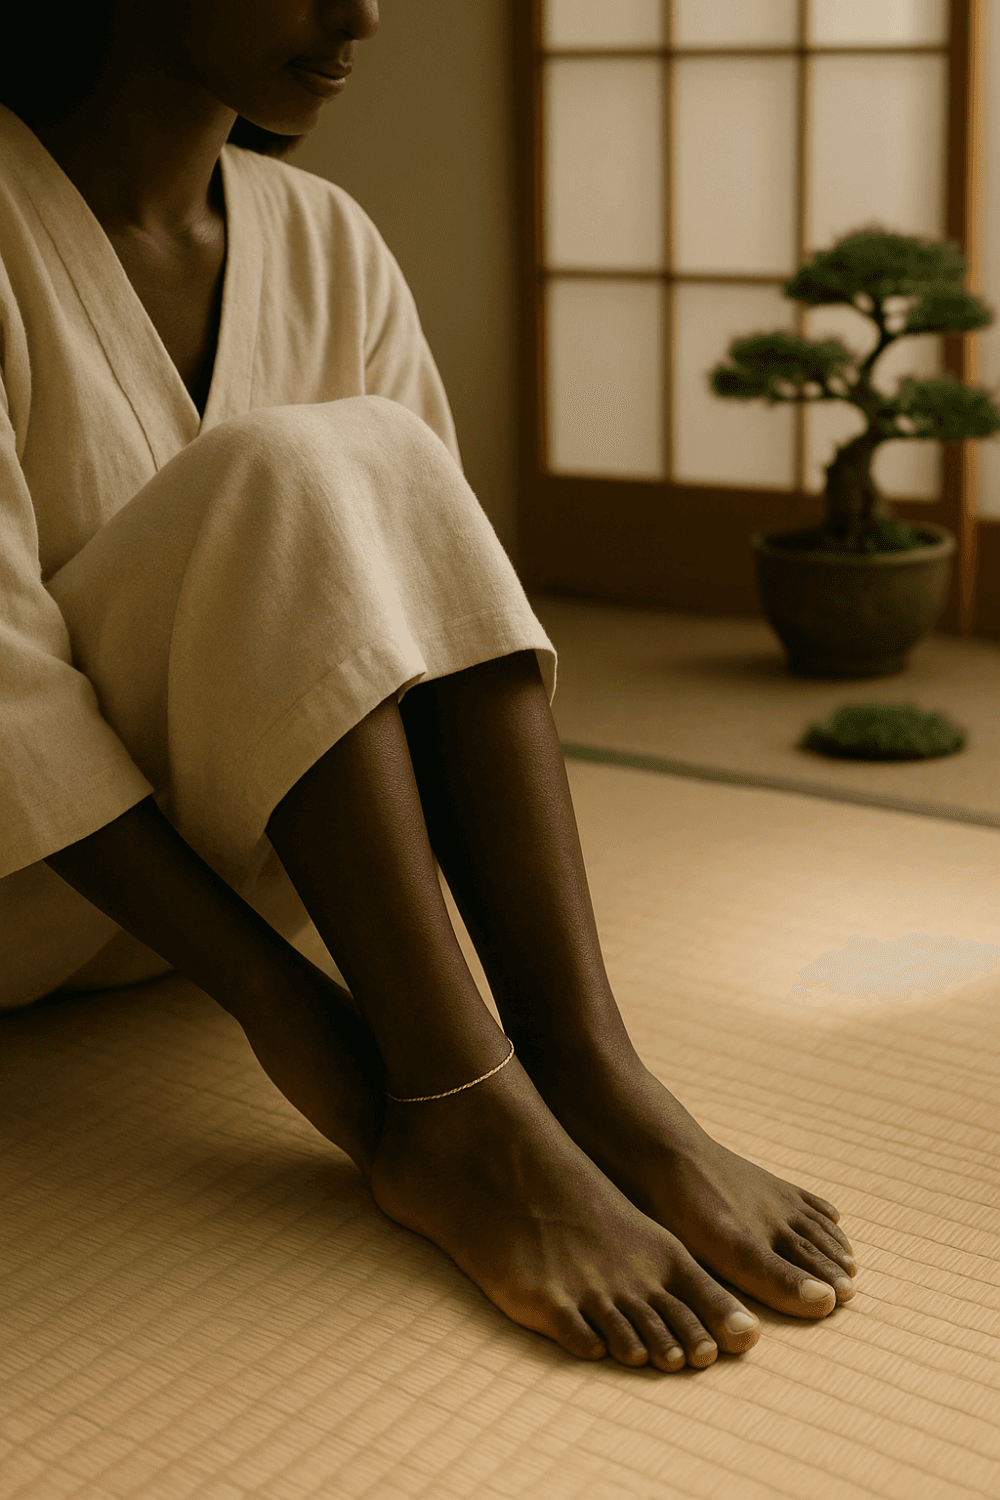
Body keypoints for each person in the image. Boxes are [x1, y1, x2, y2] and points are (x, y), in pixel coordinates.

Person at [0, 0, 857, 1372]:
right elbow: (4, 707)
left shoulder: (328, 238)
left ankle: (588, 1070)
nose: (366, 13)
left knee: (377, 458)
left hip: (270, 861)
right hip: (37, 899)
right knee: (293, 466)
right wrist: (293, 1010)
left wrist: (566, 1050)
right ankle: (462, 1112)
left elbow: (438, 625)